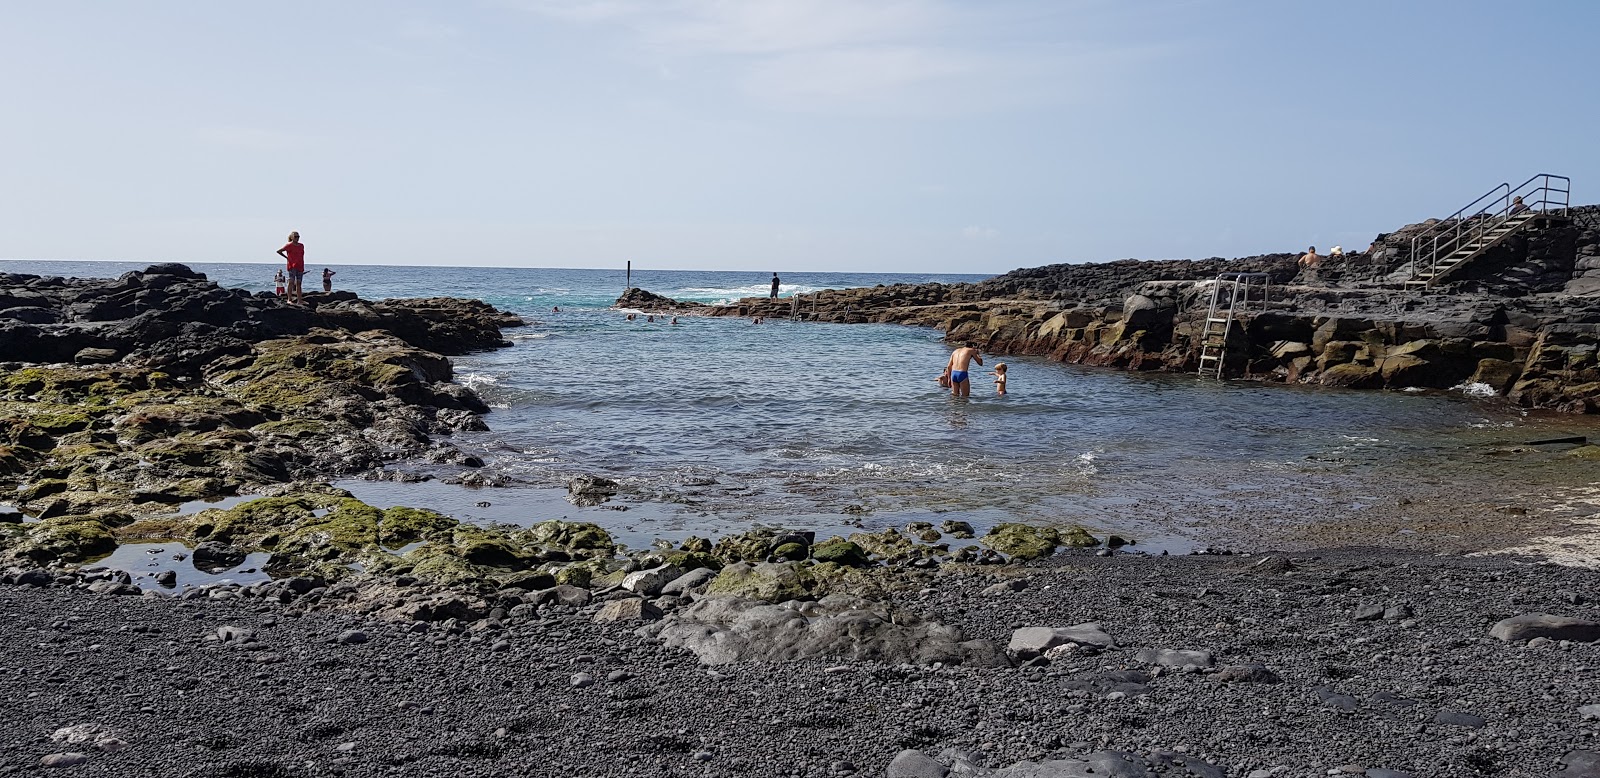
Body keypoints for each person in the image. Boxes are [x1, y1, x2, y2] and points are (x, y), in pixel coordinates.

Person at [276, 231, 305, 305]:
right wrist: (287, 257)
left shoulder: (301, 245)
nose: (297, 238)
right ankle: (289, 299)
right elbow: (279, 251)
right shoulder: (289, 245)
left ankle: (300, 300)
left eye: (298, 237)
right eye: (295, 237)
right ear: (292, 237)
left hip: (300, 266)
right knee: (291, 282)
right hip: (292, 266)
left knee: (299, 283)